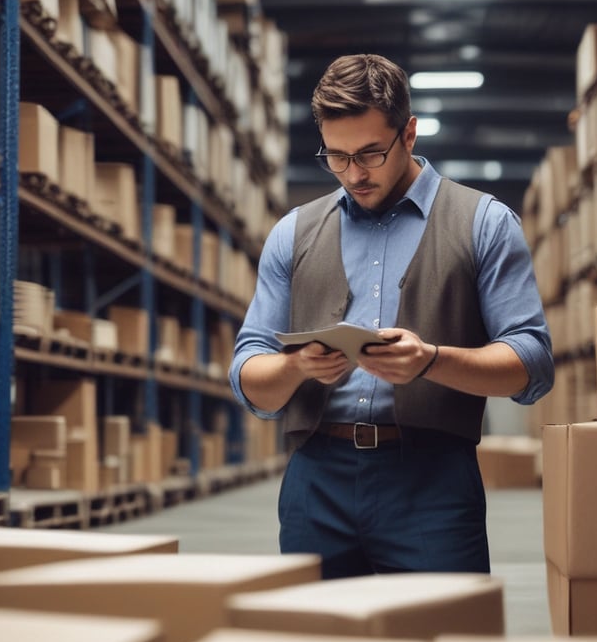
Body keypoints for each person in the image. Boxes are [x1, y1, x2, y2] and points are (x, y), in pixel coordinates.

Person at [229, 53, 554, 579]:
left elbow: (532, 364)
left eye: (370, 154)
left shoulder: (484, 224)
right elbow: (248, 376)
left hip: (434, 482)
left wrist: (430, 361)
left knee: (441, 629)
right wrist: (295, 367)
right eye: (337, 157)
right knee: (318, 632)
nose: (354, 174)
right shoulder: (293, 234)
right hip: (317, 482)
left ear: (409, 133)